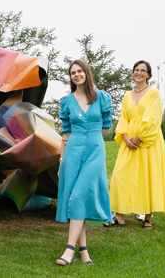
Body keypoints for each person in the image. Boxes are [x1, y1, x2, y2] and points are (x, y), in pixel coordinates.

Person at [55, 59, 113, 266]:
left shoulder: (102, 98)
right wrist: (61, 160)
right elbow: (66, 133)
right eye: (73, 73)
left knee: (79, 195)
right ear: (70, 78)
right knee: (76, 199)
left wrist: (91, 127)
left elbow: (106, 129)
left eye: (80, 71)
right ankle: (83, 251)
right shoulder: (67, 101)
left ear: (87, 73)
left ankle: (68, 250)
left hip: (95, 151)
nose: (77, 75)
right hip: (72, 152)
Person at [105, 60, 165, 230]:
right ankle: (119, 216)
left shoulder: (153, 93)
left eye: (143, 70)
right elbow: (124, 118)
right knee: (121, 175)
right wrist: (126, 137)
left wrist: (140, 137)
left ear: (148, 74)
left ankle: (148, 217)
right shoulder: (127, 95)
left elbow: (154, 118)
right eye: (136, 70)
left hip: (149, 141)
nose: (139, 73)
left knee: (147, 176)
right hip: (128, 141)